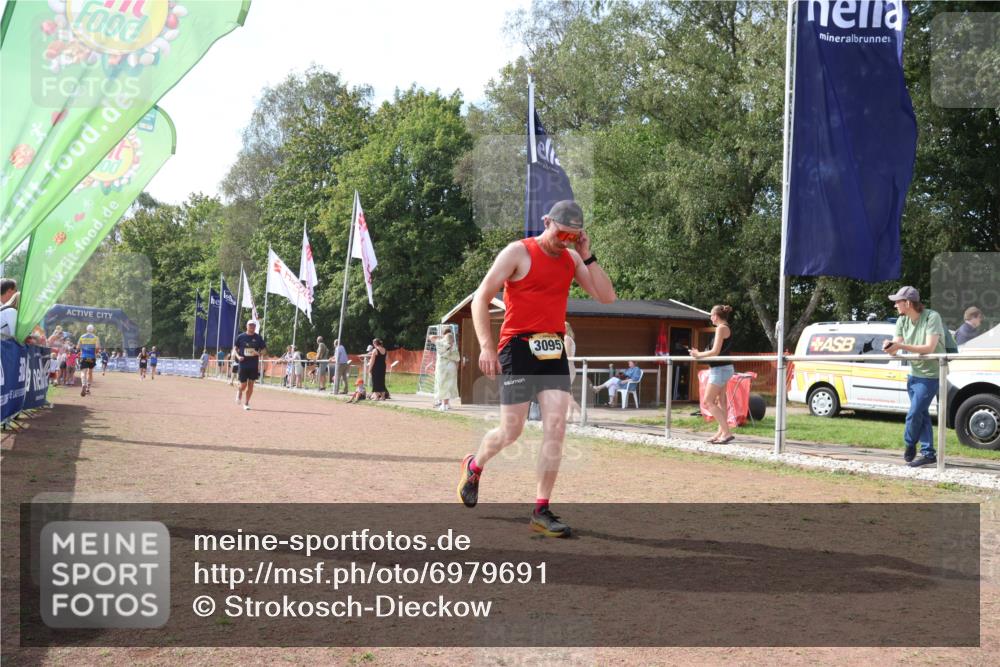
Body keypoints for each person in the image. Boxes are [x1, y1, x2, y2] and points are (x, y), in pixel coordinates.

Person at [457, 199, 615, 537]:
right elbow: (481, 298)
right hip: (517, 347)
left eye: (573, 237)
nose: (565, 241)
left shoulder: (573, 258)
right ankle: (475, 465)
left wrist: (587, 254)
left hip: (553, 347)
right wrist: (487, 346)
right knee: (510, 432)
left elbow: (606, 297)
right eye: (561, 234)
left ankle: (541, 510)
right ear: (547, 222)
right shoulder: (518, 252)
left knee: (556, 427)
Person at [883, 286, 946, 467]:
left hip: (932, 375)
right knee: (921, 414)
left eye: (898, 301)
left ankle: (910, 443)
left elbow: (929, 348)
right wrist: (890, 347)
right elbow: (895, 350)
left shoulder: (932, 317)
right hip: (914, 375)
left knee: (914, 413)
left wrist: (900, 346)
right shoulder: (902, 321)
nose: (895, 305)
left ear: (908, 303)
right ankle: (928, 453)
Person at [689, 305, 735, 444]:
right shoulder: (724, 327)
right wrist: (700, 353)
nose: (710, 317)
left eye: (711, 315)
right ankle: (720, 432)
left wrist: (698, 355)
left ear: (716, 316)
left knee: (707, 401)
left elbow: (715, 351)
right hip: (723, 368)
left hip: (720, 369)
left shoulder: (721, 328)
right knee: (720, 402)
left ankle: (726, 432)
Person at [233, 320, 267, 411]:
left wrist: (258, 353)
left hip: (253, 365)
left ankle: (246, 403)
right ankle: (239, 391)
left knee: (251, 385)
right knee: (243, 385)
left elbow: (264, 350)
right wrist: (238, 356)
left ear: (255, 327)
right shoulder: (240, 337)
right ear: (246, 326)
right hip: (243, 364)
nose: (252, 327)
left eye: (253, 325)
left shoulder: (258, 338)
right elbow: (234, 349)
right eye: (250, 325)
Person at [430, 326, 460, 410]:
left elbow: (431, 337)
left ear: (443, 333)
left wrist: (441, 336)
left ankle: (444, 404)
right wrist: (456, 367)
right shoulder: (454, 345)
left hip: (442, 366)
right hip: (452, 365)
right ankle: (447, 403)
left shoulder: (439, 342)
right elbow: (457, 358)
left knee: (442, 384)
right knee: (450, 385)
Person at [77, 324, 100, 396]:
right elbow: (97, 347)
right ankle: (88, 388)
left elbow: (77, 347)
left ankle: (83, 384)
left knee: (83, 372)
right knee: (90, 372)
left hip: (84, 356)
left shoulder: (82, 337)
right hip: (92, 357)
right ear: (93, 330)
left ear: (87, 329)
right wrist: (95, 353)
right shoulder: (95, 337)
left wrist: (81, 350)